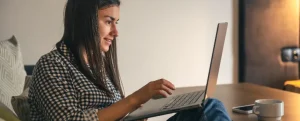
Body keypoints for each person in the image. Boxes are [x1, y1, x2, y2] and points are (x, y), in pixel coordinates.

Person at [28, 0, 232, 121]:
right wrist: (135, 99)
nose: (116, 32)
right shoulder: (51, 65)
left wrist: (138, 111)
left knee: (208, 107)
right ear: (85, 20)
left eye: (116, 23)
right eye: (109, 22)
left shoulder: (98, 65)